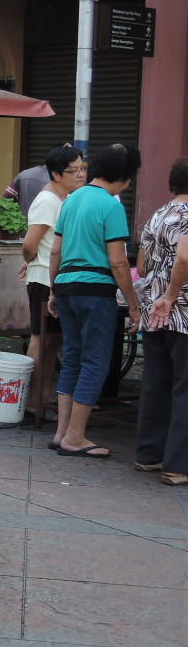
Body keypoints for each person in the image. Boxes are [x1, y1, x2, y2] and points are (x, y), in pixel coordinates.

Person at [47, 142, 142, 459]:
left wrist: (53, 290)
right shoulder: (111, 205)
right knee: (95, 362)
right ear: (124, 177)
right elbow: (118, 262)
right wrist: (133, 304)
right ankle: (75, 438)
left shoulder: (72, 199)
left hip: (66, 286)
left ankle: (61, 432)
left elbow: (55, 251)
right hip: (95, 290)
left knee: (72, 358)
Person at [21, 144, 86, 416]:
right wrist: (29, 262)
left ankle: (45, 394)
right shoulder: (48, 200)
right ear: (56, 174)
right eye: (74, 171)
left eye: (83, 168)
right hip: (42, 278)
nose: (81, 175)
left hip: (56, 278)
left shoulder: (65, 197)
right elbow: (30, 244)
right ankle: (31, 399)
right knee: (40, 337)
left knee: (52, 340)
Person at [135, 157, 188, 486]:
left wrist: (160, 294)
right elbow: (185, 257)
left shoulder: (159, 213)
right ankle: (177, 466)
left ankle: (149, 456)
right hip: (181, 310)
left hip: (153, 310)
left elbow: (141, 265)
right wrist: (171, 295)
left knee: (156, 382)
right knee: (185, 387)